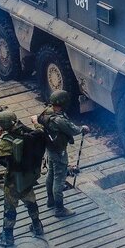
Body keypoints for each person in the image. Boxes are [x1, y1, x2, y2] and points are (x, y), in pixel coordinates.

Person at [0, 110, 45, 245]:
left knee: (10, 208)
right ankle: (37, 226)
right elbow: (41, 131)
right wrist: (35, 122)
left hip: (14, 179)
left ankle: (7, 237)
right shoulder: (30, 132)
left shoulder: (8, 141)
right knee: (30, 201)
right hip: (29, 175)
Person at [37, 89, 89, 217]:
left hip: (50, 149)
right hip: (59, 152)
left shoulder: (47, 112)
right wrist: (83, 128)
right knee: (59, 180)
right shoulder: (59, 120)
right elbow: (73, 129)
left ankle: (50, 200)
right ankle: (59, 209)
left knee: (51, 175)